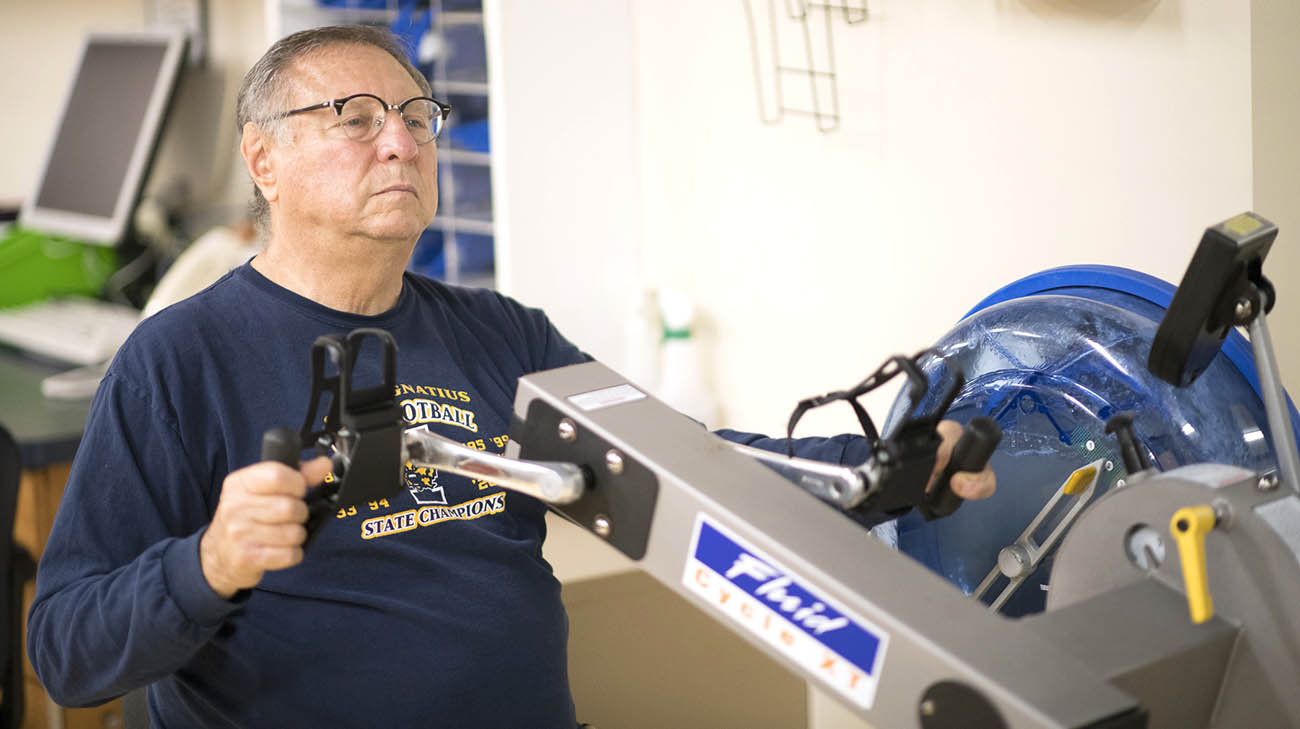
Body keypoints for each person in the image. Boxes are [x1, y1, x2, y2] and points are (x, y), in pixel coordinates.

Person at [27, 25, 995, 729]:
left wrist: (883, 471)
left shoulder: (500, 334)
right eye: (353, 120)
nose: (402, 142)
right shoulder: (177, 360)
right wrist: (209, 565)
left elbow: (683, 471)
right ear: (264, 159)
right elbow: (67, 654)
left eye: (417, 116)